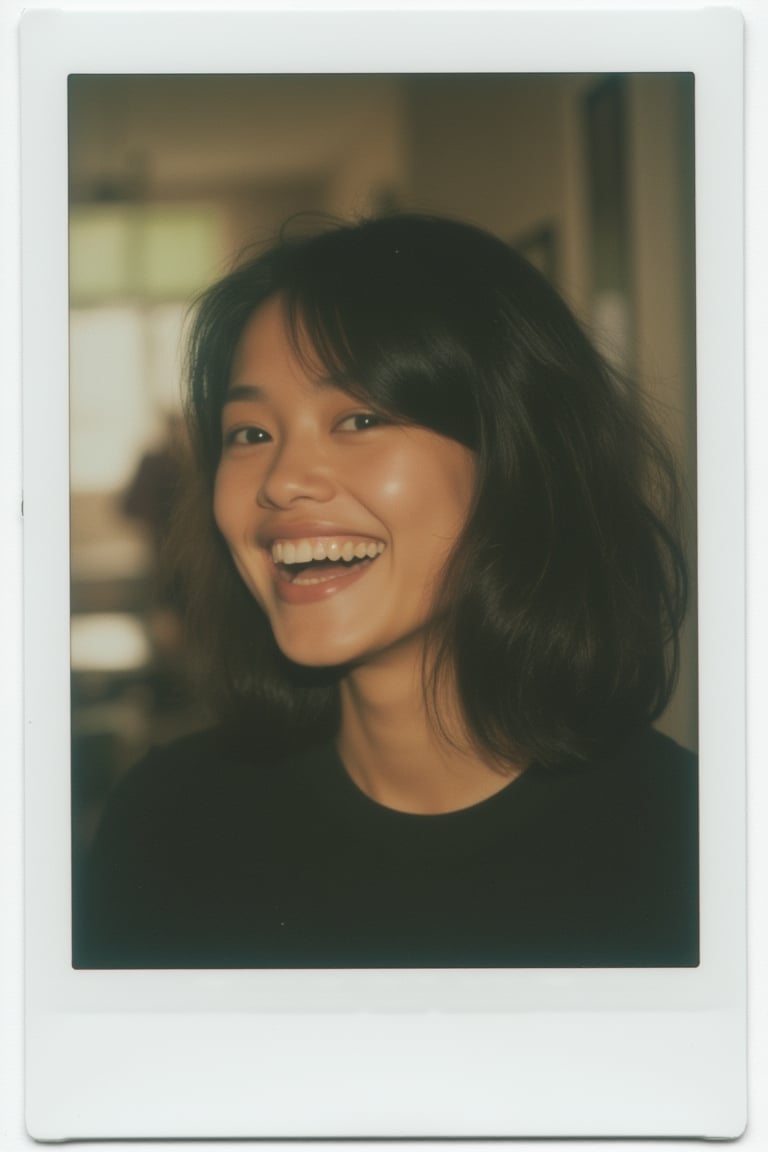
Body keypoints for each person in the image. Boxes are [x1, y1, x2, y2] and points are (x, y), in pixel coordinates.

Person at [73, 213, 698, 969]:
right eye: (250, 434)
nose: (282, 482)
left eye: (359, 418)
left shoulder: (696, 848)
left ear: (514, 458)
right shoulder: (164, 824)